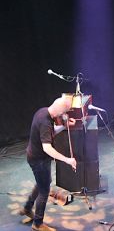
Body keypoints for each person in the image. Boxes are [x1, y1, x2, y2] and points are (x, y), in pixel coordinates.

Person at [20, 96, 77, 231]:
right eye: (65, 113)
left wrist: (65, 126)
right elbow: (47, 148)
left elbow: (49, 134)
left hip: (37, 157)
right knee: (44, 190)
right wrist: (67, 160)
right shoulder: (46, 122)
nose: (65, 115)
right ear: (60, 113)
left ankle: (27, 208)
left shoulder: (44, 111)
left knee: (42, 184)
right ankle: (38, 224)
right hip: (38, 160)